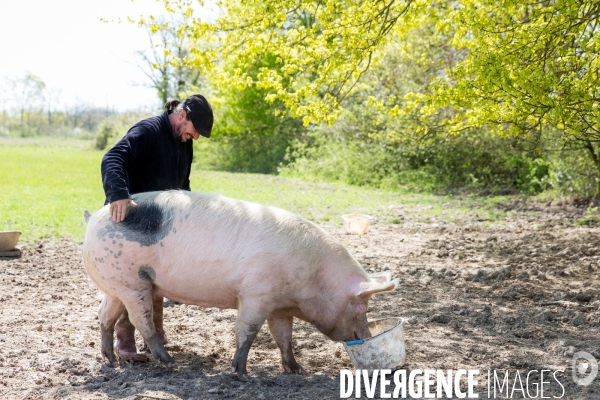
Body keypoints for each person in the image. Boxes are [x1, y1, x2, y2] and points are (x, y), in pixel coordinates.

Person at [101, 94, 213, 362]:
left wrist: (189, 211)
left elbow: (182, 183)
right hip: (131, 223)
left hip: (160, 224)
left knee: (157, 281)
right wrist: (118, 193)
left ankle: (157, 336)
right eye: (195, 130)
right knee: (132, 282)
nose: (195, 137)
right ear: (182, 115)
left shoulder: (182, 141)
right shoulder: (148, 130)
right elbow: (112, 157)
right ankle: (125, 343)